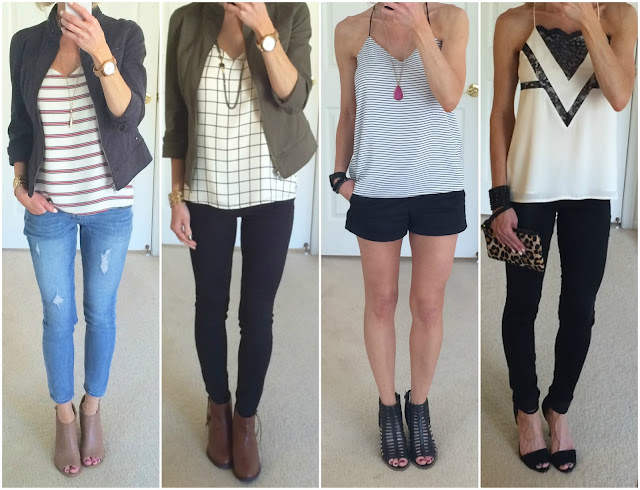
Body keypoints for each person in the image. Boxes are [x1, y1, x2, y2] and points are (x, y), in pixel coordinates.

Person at [163, 2, 316, 483]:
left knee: (257, 313)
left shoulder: (290, 12)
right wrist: (177, 197)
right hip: (206, 191)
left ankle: (246, 420)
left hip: (270, 189)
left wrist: (264, 28)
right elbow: (176, 117)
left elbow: (295, 97)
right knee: (210, 306)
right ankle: (218, 409)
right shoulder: (186, 20)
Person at [489, 2, 636, 473]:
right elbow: (500, 113)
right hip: (528, 192)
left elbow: (620, 96)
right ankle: (526, 410)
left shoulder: (618, 16)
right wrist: (500, 200)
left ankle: (559, 408)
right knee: (521, 304)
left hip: (591, 195)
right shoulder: (514, 22)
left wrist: (588, 19)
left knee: (580, 309)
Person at [8, 2, 151, 476]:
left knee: (100, 312)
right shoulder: (26, 43)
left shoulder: (124, 34)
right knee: (57, 315)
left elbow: (129, 115)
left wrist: (101, 52)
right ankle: (64, 415)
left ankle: (92, 406)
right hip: (48, 206)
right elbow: (20, 125)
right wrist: (19, 184)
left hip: (109, 207)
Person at [331, 1, 468, 471]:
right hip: (376, 190)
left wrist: (419, 28)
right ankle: (388, 406)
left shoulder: (450, 20)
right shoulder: (350, 31)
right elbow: (349, 110)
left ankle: (419, 406)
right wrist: (339, 177)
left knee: (428, 305)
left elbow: (450, 97)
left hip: (438, 187)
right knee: (381, 302)